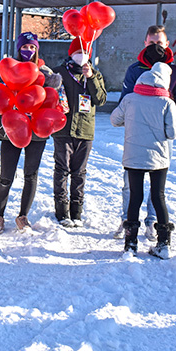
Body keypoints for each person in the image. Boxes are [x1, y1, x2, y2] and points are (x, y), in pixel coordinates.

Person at [113, 25, 176, 240]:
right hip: (136, 132)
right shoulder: (135, 70)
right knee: (130, 184)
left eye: (159, 43)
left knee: (157, 185)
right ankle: (127, 221)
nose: (156, 46)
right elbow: (124, 100)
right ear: (145, 43)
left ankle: (152, 223)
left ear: (167, 45)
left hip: (162, 133)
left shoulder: (174, 71)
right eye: (152, 43)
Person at [0, 32, 62, 233]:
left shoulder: (47, 74)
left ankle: (23, 216)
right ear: (18, 49)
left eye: (32, 47)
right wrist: (6, 110)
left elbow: (54, 102)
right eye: (24, 47)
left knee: (31, 174)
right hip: (11, 130)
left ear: (37, 49)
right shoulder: (6, 70)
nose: (28, 51)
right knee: (6, 175)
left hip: (37, 132)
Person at [110, 62, 176, 258]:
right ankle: (163, 244)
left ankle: (130, 244)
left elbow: (114, 120)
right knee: (158, 196)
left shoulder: (130, 99)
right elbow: (173, 132)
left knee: (135, 196)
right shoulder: (167, 103)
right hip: (159, 158)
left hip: (133, 157)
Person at [51, 37, 107, 227]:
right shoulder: (58, 73)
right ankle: (62, 212)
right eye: (77, 53)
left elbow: (100, 100)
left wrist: (91, 77)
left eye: (84, 53)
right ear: (71, 54)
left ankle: (77, 212)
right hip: (62, 129)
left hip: (84, 130)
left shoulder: (95, 74)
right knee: (62, 169)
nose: (81, 56)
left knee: (79, 172)